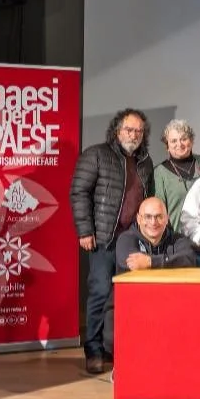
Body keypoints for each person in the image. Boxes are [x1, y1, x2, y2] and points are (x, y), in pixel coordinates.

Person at [70, 108, 154, 374]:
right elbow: (78, 192)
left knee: (126, 297)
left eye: (139, 131)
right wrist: (85, 230)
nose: (134, 135)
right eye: (129, 129)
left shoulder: (145, 161)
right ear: (117, 131)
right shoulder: (96, 154)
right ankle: (93, 349)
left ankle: (116, 348)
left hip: (131, 241)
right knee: (100, 294)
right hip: (104, 239)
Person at [103, 198, 196, 358]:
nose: (153, 222)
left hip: (167, 305)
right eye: (148, 217)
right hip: (129, 305)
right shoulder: (126, 238)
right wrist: (169, 262)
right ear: (139, 219)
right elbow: (129, 263)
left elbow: (188, 259)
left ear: (167, 219)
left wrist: (151, 262)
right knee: (112, 338)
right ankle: (122, 363)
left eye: (159, 216)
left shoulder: (178, 240)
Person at [153, 119, 200, 232]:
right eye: (174, 141)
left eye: (184, 139)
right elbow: (158, 211)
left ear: (192, 141)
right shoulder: (159, 173)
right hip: (177, 239)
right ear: (167, 146)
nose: (179, 144)